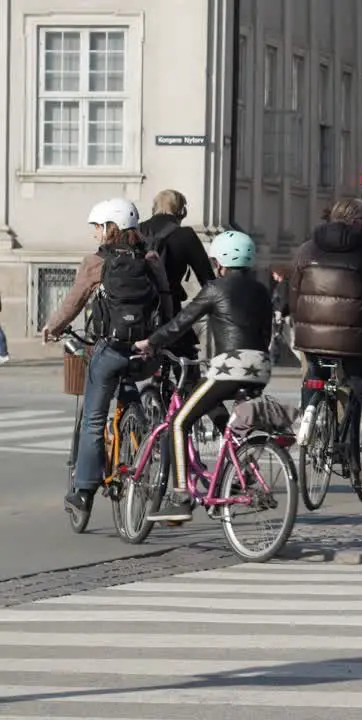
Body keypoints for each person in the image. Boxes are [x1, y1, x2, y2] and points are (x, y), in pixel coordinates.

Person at [42, 198, 173, 515]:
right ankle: (139, 437)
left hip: (110, 350)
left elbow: (74, 302)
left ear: (108, 228)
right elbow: (166, 301)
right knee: (130, 386)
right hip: (146, 353)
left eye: (97, 228)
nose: (95, 234)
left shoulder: (95, 263)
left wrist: (52, 327)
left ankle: (84, 492)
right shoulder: (151, 258)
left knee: (93, 420)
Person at [133, 231, 273, 522]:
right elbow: (265, 332)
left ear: (219, 261)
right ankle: (233, 472)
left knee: (179, 421)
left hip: (230, 368)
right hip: (260, 367)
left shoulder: (215, 288)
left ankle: (182, 495)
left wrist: (151, 342)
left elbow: (181, 323)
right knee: (216, 407)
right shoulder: (261, 290)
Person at [290, 198, 362, 496]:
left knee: (314, 378)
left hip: (311, 338)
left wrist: (300, 325)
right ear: (355, 222)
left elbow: (294, 292)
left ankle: (310, 420)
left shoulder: (306, 249)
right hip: (354, 342)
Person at [136, 189, 216, 359]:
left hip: (138, 310)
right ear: (182, 211)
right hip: (169, 311)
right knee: (186, 360)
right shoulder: (185, 235)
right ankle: (187, 383)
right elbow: (208, 280)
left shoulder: (137, 231)